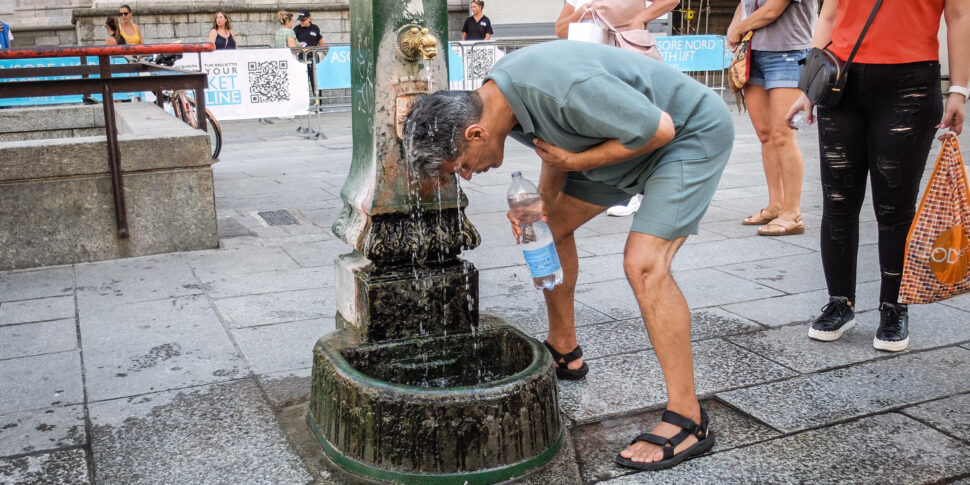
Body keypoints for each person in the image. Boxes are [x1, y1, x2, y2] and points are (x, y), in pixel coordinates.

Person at [404, 40, 733, 471]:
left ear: (475, 134)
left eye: (461, 166)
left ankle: (689, 417)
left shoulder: (562, 87)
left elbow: (661, 130)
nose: (469, 174)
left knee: (644, 263)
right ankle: (564, 347)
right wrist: (542, 202)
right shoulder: (500, 99)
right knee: (546, 231)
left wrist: (576, 160)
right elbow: (554, 145)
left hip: (685, 138)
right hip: (619, 147)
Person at [787, 0, 968, 351]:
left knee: (894, 207)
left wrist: (959, 89)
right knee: (837, 202)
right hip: (842, 80)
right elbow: (829, 14)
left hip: (910, 84)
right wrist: (808, 88)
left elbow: (960, 15)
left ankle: (893, 307)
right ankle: (840, 302)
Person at [554, 0, 679, 217]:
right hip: (592, 64)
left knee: (635, 121)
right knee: (603, 126)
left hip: (626, 56)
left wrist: (640, 19)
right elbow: (560, 29)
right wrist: (582, 12)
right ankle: (612, 188)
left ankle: (639, 191)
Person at [727, 0, 817, 236]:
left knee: (782, 135)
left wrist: (738, 28)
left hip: (788, 53)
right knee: (765, 135)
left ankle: (792, 213)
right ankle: (775, 205)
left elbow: (773, 10)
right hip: (753, 54)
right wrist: (734, 26)